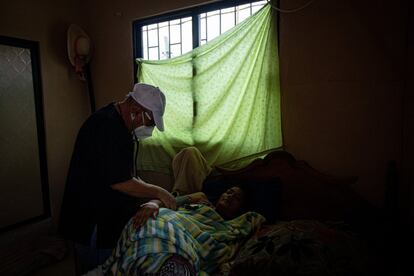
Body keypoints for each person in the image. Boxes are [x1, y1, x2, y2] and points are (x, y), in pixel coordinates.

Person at [58, 83, 176, 273]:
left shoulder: (117, 123)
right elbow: (120, 181)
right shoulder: (108, 127)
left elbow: (124, 173)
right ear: (136, 110)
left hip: (104, 214)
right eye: (150, 123)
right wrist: (159, 192)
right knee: (98, 269)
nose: (148, 129)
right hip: (93, 219)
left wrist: (152, 198)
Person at [101, 185, 264, 276]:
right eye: (228, 191)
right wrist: (154, 204)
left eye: (236, 198)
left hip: (190, 239)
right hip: (168, 222)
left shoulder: (231, 227)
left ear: (241, 208)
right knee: (148, 223)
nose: (229, 196)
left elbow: (257, 221)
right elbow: (169, 201)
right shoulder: (200, 200)